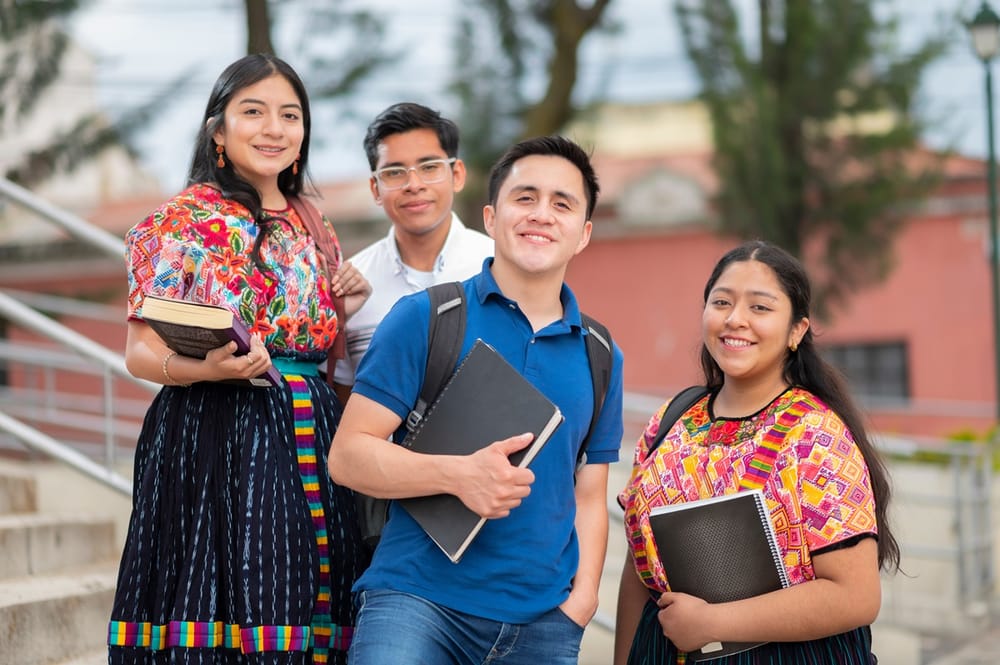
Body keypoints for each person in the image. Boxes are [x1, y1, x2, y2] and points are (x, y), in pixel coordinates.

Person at [107, 54, 371, 665]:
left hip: (310, 430)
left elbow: (314, 341)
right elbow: (140, 351)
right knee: (221, 597)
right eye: (253, 112)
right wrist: (206, 370)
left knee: (308, 597)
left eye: (290, 115)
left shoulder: (314, 222)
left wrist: (346, 309)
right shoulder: (181, 221)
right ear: (218, 130)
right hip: (213, 432)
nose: (273, 128)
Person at [328, 135, 624, 664]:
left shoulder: (600, 353)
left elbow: (589, 493)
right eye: (525, 197)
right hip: (416, 603)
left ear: (583, 234)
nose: (542, 215)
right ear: (490, 218)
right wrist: (456, 476)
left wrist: (581, 603)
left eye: (563, 204)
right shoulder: (427, 318)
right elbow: (348, 456)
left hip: (543, 625)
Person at [614, 240, 901, 664]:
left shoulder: (814, 434)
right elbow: (640, 571)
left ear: (797, 330)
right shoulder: (670, 422)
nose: (735, 320)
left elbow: (856, 597)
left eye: (760, 308)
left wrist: (713, 624)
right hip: (662, 649)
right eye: (721, 302)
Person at [330, 101, 493, 404]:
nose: (413, 185)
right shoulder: (351, 283)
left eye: (429, 167)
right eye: (394, 172)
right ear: (375, 188)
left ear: (457, 174)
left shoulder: (499, 266)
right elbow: (343, 400)